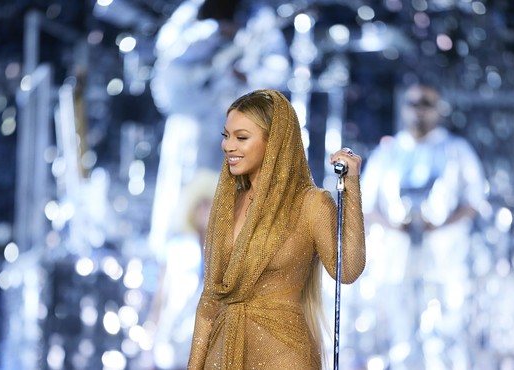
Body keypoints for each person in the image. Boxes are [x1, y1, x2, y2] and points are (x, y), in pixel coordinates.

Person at [187, 89, 366, 369]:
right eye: (226, 136)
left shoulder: (311, 203)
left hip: (284, 356)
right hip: (221, 355)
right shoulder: (226, 206)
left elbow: (348, 269)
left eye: (241, 137)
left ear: (275, 142)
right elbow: (209, 303)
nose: (228, 146)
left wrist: (351, 185)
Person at [360, 81, 487, 369]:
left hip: (444, 262)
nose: (419, 111)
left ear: (438, 110)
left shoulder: (456, 150)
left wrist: (438, 226)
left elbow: (474, 201)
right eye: (413, 104)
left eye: (426, 104)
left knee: (444, 338)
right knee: (399, 339)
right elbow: (366, 205)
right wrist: (397, 227)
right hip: (396, 263)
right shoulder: (388, 152)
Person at [148, 0, 290, 256]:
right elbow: (167, 58)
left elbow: (277, 71)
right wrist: (213, 32)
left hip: (236, 134)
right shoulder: (191, 12)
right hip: (189, 130)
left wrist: (248, 78)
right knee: (181, 223)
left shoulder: (259, 17)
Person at [146, 169, 219, 369]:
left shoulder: (230, 256)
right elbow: (160, 301)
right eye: (200, 205)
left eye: (210, 203)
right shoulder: (177, 253)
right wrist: (149, 349)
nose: (205, 210)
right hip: (172, 352)